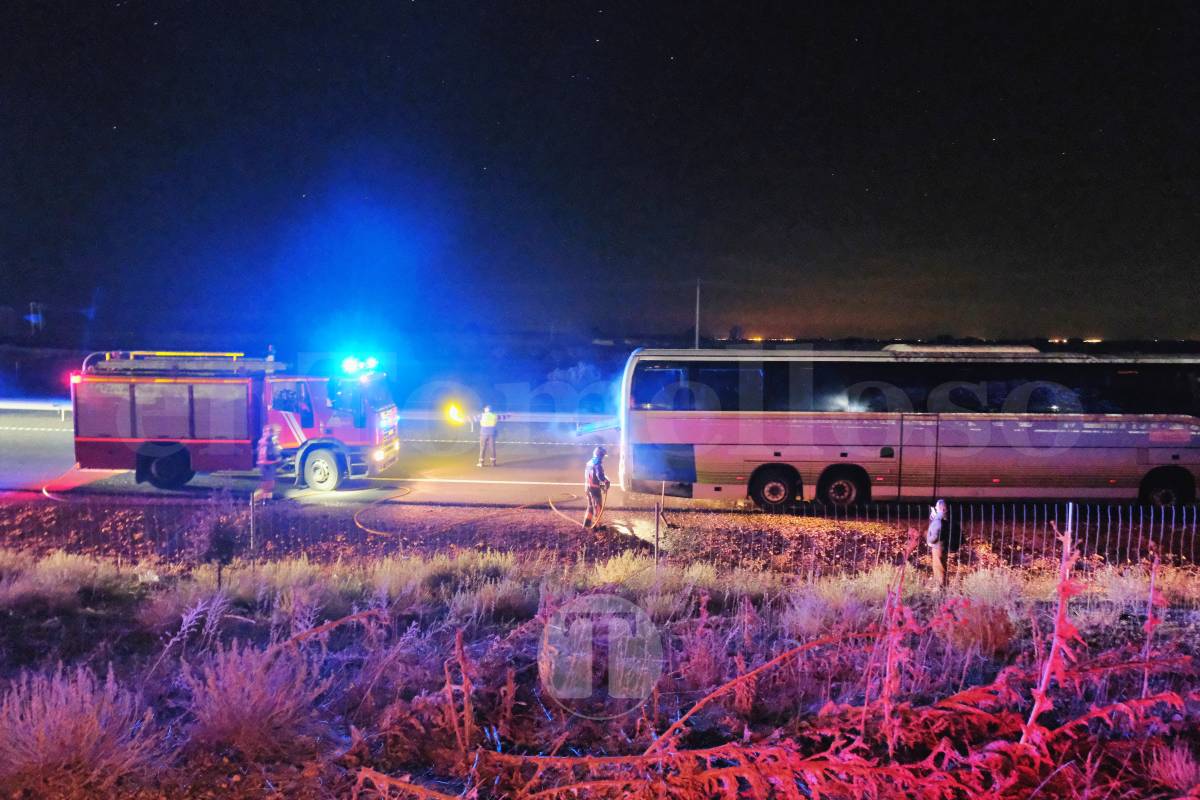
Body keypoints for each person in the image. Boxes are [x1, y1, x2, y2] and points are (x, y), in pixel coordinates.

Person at [583, 446, 611, 529]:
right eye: (603, 456)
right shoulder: (597, 464)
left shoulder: (590, 462)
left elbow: (593, 477)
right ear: (601, 455)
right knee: (598, 507)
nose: (603, 458)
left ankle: (586, 524)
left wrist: (602, 487)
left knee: (590, 506)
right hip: (594, 489)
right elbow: (600, 477)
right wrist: (606, 482)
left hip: (587, 488)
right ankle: (598, 526)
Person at [255, 424, 282, 501]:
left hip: (267, 464)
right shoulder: (268, 440)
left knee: (270, 485)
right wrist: (277, 458)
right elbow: (271, 453)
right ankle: (254, 500)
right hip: (267, 465)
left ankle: (266, 501)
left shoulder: (265, 441)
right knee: (267, 485)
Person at [927, 498, 949, 588]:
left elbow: (936, 533)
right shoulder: (943, 516)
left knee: (938, 567)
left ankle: (940, 588)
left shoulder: (939, 518)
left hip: (937, 546)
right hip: (941, 546)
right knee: (940, 566)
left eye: (936, 506)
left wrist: (930, 541)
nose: (935, 508)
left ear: (940, 507)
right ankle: (941, 585)